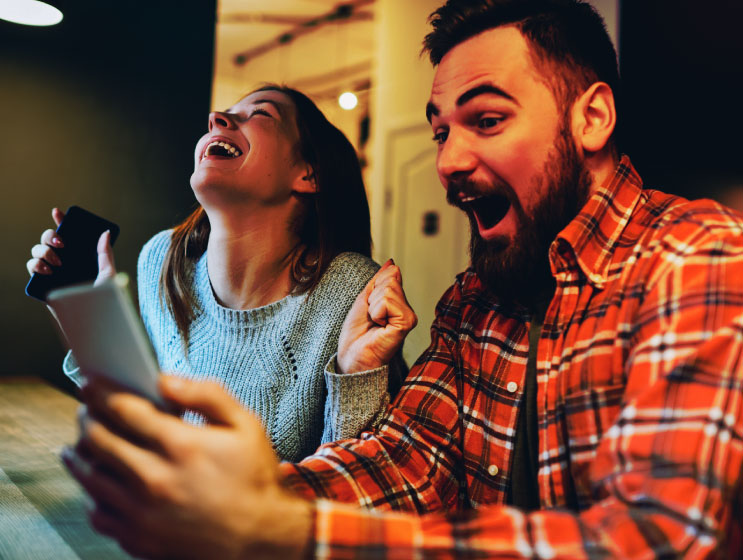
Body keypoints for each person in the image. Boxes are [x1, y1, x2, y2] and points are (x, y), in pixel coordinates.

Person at [61, 1, 743, 558]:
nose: (448, 161)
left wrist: (277, 528)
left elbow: (658, 537)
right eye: (440, 132)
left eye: (485, 120)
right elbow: (407, 462)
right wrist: (240, 497)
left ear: (590, 117)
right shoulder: (472, 304)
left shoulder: (693, 257)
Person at [27, 84, 407, 462]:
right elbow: (143, 432)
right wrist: (92, 326)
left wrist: (359, 377)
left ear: (308, 174)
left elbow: (356, 480)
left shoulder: (352, 291)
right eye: (222, 114)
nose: (216, 119)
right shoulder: (162, 261)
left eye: (260, 113)